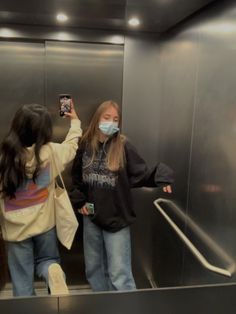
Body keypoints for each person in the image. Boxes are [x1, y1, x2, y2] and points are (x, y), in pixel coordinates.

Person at [70, 100, 173, 292]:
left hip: (117, 218)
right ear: (97, 119)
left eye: (115, 119)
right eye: (106, 117)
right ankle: (102, 305)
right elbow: (76, 177)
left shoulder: (123, 146)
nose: (111, 122)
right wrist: (80, 201)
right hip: (91, 217)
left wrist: (163, 178)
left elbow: (141, 173)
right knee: (94, 269)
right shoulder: (86, 145)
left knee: (120, 274)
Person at [0, 102, 82, 297]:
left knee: (22, 278)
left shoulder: (4, 159)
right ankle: (51, 270)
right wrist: (75, 122)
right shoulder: (52, 152)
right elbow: (71, 146)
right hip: (45, 225)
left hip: (15, 231)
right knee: (47, 259)